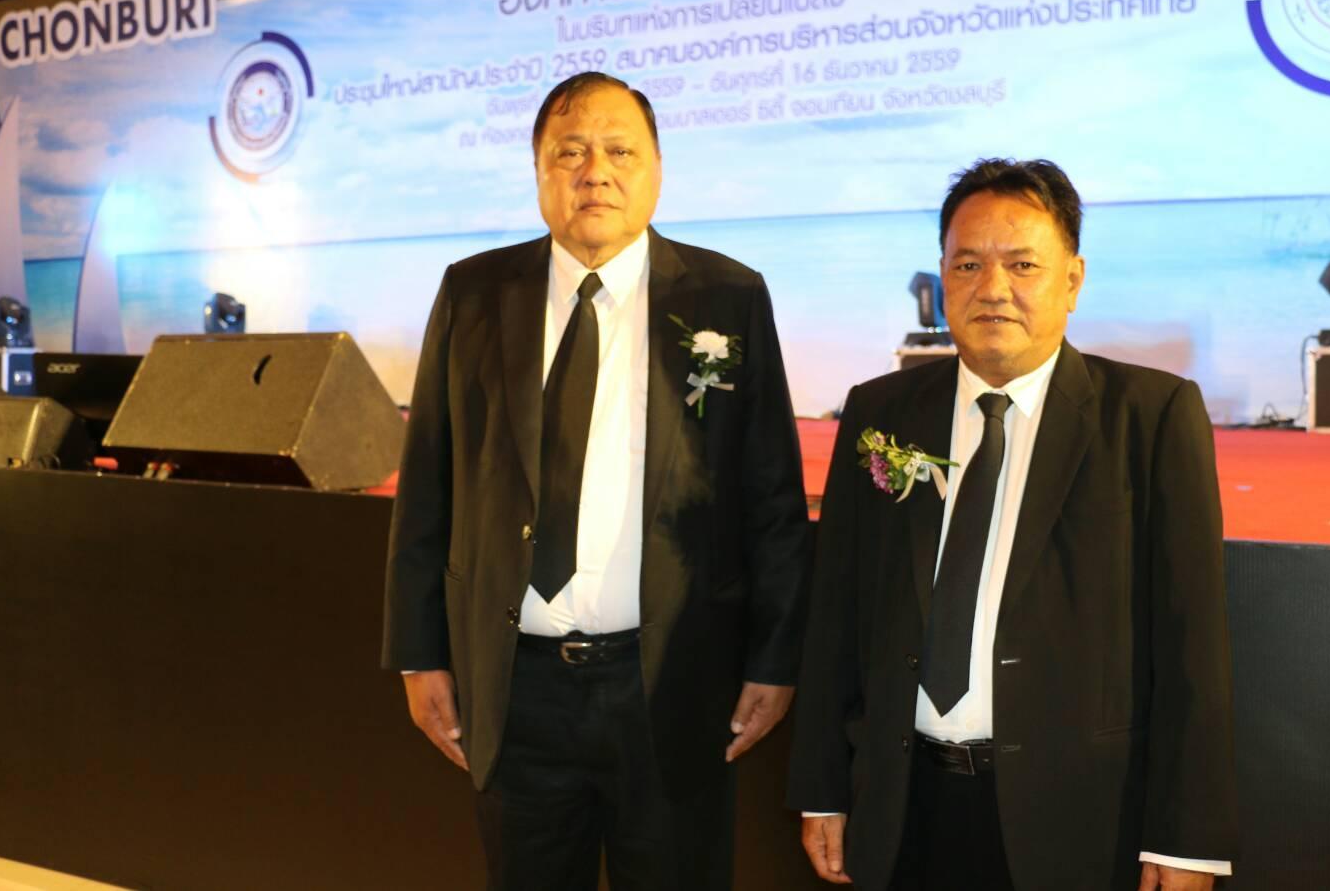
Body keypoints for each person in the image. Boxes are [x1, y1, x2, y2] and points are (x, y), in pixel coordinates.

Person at [383, 72, 810, 890]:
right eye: (569, 152)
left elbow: (772, 499)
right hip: (515, 685)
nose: (595, 172)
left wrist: (774, 659)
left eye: (620, 151)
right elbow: (429, 483)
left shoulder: (727, 296)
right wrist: (417, 653)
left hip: (673, 679)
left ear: (657, 169)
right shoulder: (474, 292)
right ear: (537, 170)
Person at [788, 158, 1237, 890]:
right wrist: (822, 788)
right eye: (967, 264)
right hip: (900, 809)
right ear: (941, 276)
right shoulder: (880, 413)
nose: (992, 287)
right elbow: (834, 616)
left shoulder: (1149, 417)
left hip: (1076, 820)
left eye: (1022, 264)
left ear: (1073, 280)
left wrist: (1186, 840)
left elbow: (1193, 645)